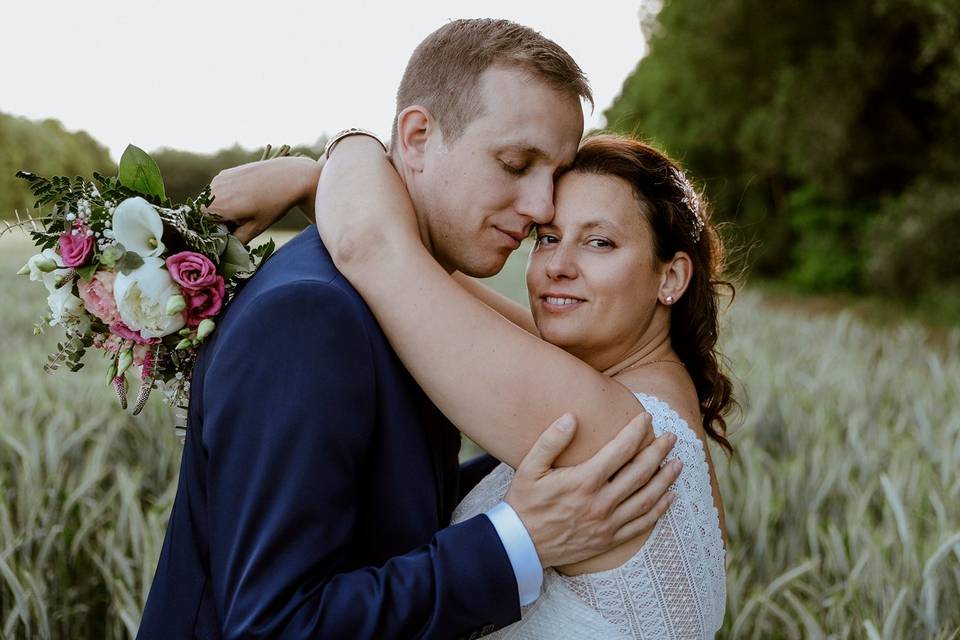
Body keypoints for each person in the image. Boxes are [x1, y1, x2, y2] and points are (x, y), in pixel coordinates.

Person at [137, 19, 681, 640]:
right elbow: (275, 626)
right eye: (515, 163)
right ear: (418, 137)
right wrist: (514, 541)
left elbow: (386, 502)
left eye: (552, 175)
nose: (540, 208)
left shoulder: (413, 300)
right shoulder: (311, 316)